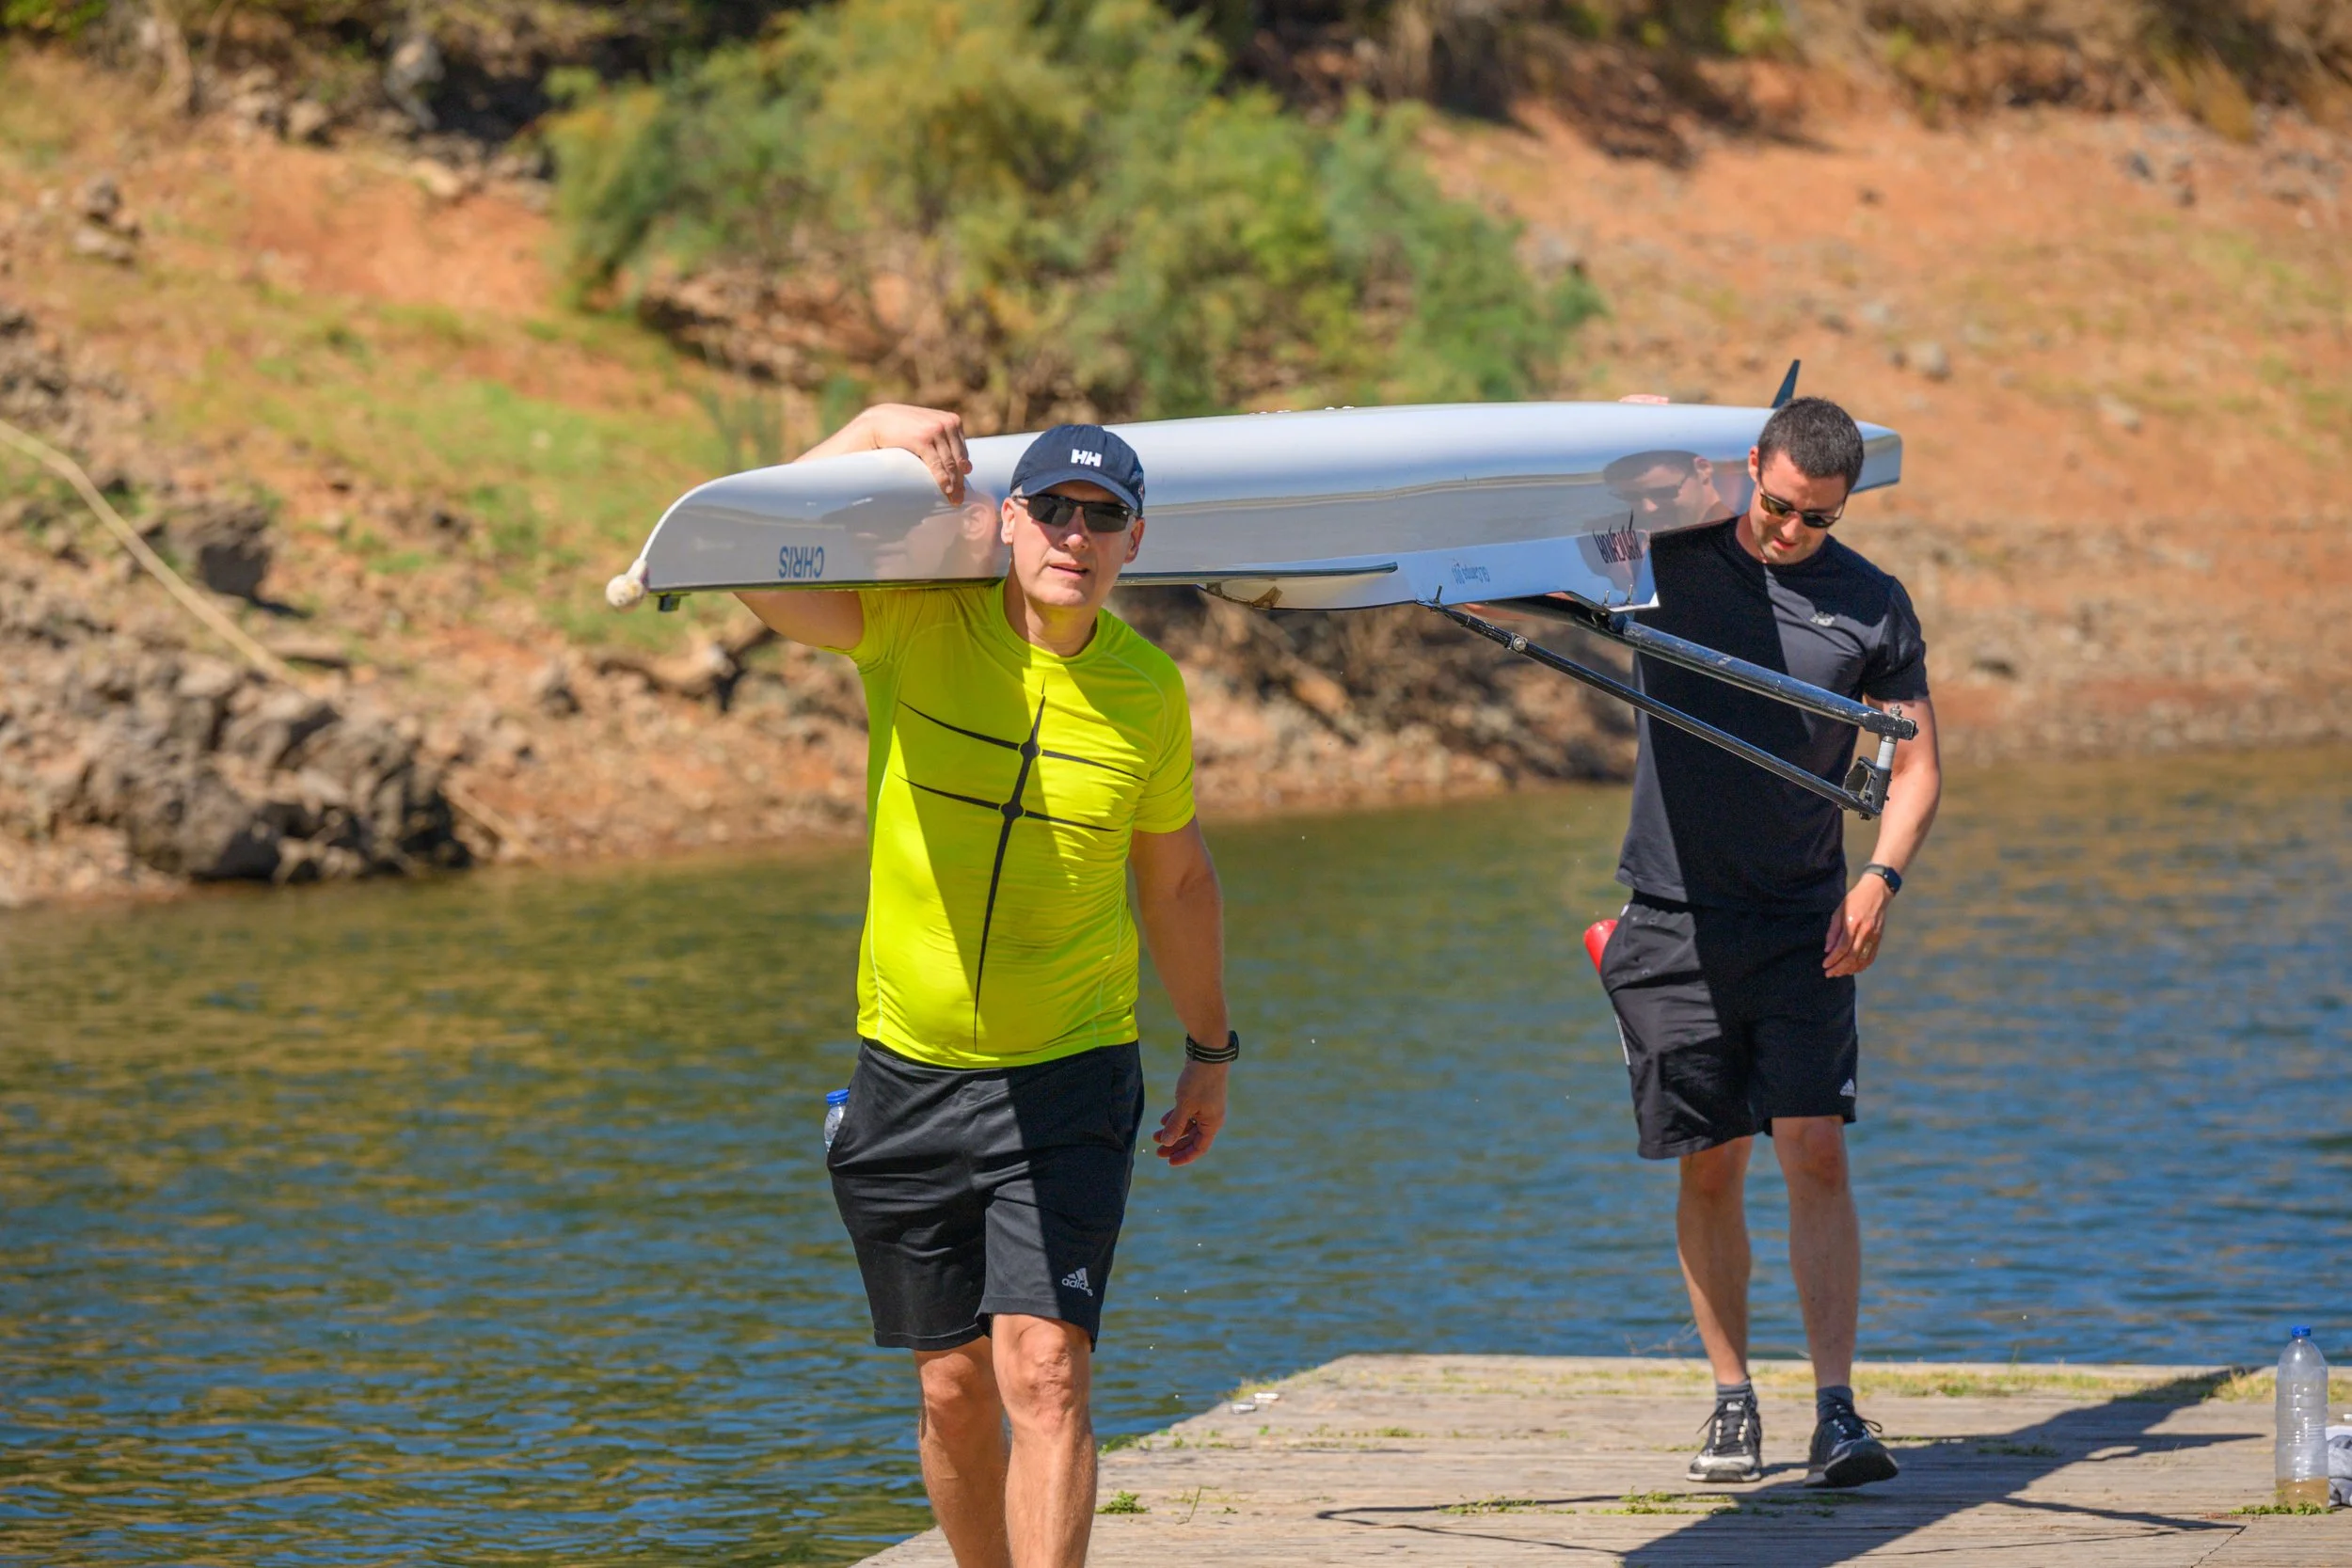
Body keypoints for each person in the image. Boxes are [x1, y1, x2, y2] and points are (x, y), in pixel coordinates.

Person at [739, 404, 1236, 1568]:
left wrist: (1209, 1051)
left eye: (1101, 516)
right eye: (1051, 507)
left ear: (1133, 543)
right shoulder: (914, 625)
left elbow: (1175, 883)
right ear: (1007, 520)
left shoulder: (1146, 693)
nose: (1074, 532)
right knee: (955, 1388)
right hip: (905, 1073)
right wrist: (864, 430)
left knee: (1046, 1370)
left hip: (1067, 1070)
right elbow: (750, 554)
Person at [1596, 396, 1941, 1489]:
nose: (1790, 531)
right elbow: (1580, 507)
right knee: (1710, 1162)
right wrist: (1624, 426)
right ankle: (1731, 1398)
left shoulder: (1869, 604)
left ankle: (1835, 1409)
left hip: (1805, 918)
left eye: (1817, 519)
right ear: (1751, 468)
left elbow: (1916, 763)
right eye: (1779, 505)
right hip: (1674, 914)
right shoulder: (1665, 558)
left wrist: (1880, 876)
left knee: (1816, 1149)